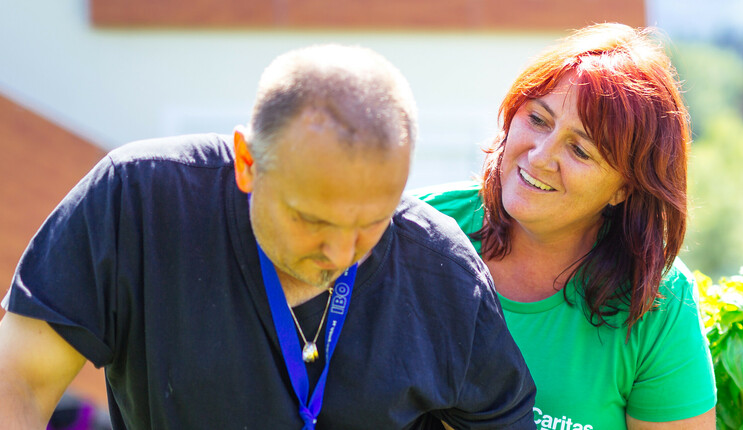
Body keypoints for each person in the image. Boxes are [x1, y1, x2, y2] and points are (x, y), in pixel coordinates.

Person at [0, 44, 535, 429]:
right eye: (313, 220)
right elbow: (18, 382)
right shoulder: (138, 199)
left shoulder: (443, 271)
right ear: (249, 163)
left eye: (371, 222)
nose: (340, 253)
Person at [416, 24, 716, 429]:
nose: (540, 156)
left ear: (624, 188)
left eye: (579, 149)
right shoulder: (417, 232)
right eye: (538, 119)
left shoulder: (657, 302)